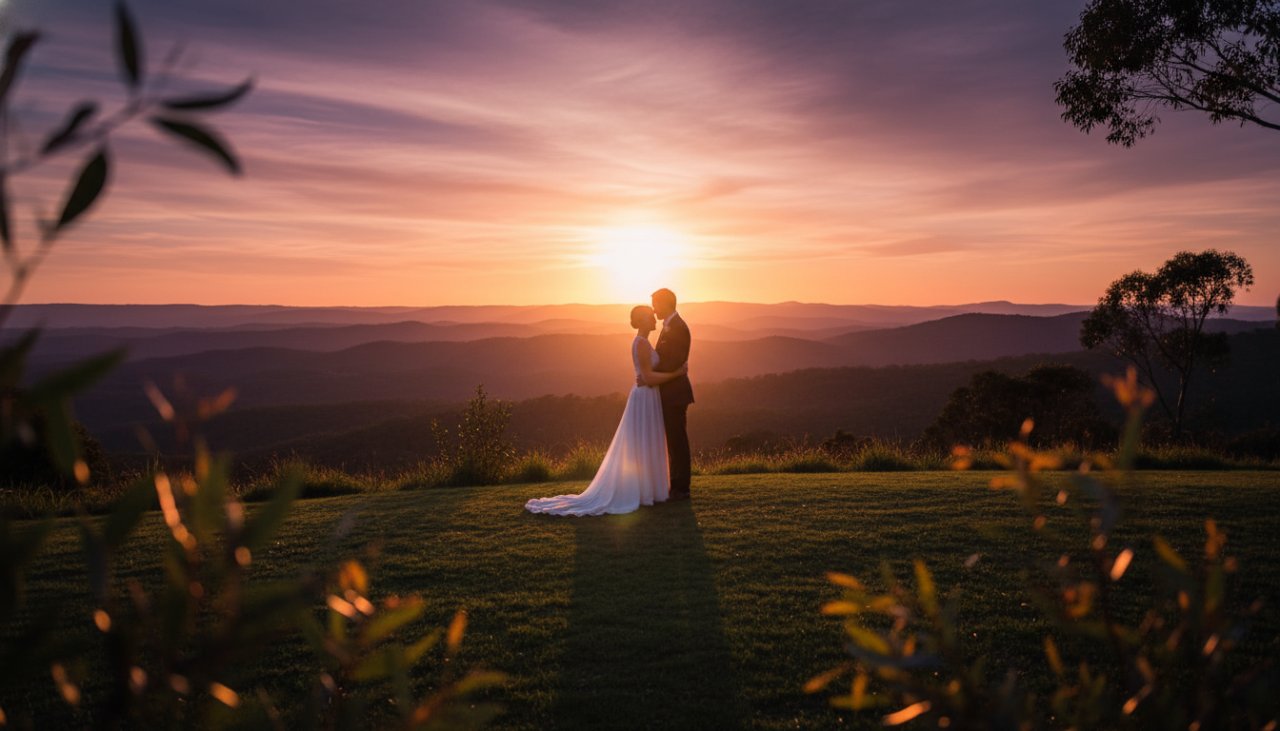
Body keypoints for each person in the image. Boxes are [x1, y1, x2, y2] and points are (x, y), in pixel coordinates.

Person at [525, 305, 687, 516]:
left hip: (649, 397)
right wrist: (677, 373)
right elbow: (648, 378)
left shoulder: (644, 342)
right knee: (642, 441)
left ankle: (649, 490)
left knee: (647, 441)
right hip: (644, 397)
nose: (655, 318)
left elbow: (647, 376)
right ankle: (642, 491)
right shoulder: (640, 343)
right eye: (650, 316)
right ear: (643, 320)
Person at [648, 287, 694, 501]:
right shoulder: (669, 326)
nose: (653, 308)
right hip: (669, 393)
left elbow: (672, 362)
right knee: (673, 441)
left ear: (666, 303)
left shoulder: (677, 327)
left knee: (678, 441)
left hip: (675, 394)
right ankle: (674, 483)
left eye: (655, 303)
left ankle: (681, 488)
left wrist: (648, 373)